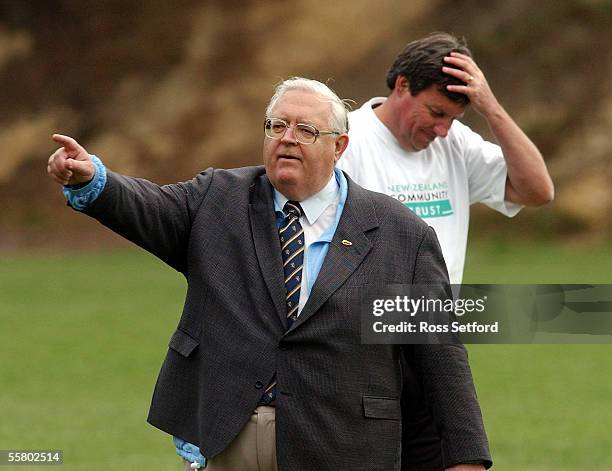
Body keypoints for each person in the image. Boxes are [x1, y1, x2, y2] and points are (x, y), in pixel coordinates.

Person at [47, 77, 491, 470]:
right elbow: (149, 206)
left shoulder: (402, 234)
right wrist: (93, 181)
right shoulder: (217, 200)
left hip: (340, 444)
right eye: (277, 126)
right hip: (225, 436)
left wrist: (466, 456)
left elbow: (441, 356)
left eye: (305, 130)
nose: (287, 138)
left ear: (339, 146)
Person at [337, 32, 554, 285]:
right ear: (403, 85)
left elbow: (538, 191)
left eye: (452, 119)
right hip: (366, 320)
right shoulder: (344, 141)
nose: (443, 130)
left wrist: (492, 109)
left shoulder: (456, 143)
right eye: (436, 112)